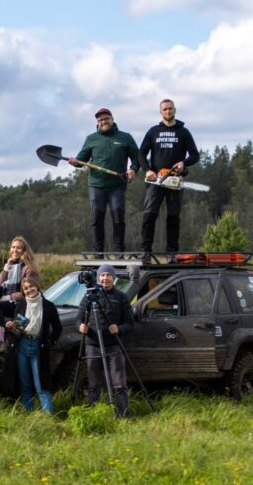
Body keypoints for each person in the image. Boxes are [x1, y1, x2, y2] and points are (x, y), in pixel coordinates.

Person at [69, 107, 139, 253]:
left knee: (118, 218)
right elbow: (81, 159)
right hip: (96, 185)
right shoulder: (91, 139)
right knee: (97, 219)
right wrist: (75, 162)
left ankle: (119, 251)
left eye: (106, 119)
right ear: (97, 122)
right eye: (100, 120)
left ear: (112, 119)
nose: (103, 122)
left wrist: (133, 169)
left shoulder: (125, 137)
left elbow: (137, 158)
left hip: (117, 185)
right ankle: (98, 252)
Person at [138, 98, 200, 253]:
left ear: (175, 110)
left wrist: (183, 163)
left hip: (174, 181)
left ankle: (172, 253)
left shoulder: (183, 132)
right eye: (165, 109)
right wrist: (147, 170)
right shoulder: (153, 131)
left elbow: (195, 155)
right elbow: (141, 153)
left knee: (173, 218)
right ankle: (146, 252)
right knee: (149, 216)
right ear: (160, 112)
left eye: (170, 108)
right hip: (156, 181)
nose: (168, 111)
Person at [77, 263, 134, 417]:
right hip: (93, 345)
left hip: (114, 345)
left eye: (108, 275)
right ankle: (94, 415)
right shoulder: (89, 297)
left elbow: (130, 323)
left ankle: (123, 415)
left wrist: (119, 329)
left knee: (119, 384)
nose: (105, 278)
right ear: (98, 277)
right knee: (94, 384)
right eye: (102, 275)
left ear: (113, 278)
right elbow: (79, 318)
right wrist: (80, 326)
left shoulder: (121, 297)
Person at [2, 276, 62, 413]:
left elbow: (57, 328)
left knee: (41, 384)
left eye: (31, 287)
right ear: (23, 291)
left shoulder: (49, 306)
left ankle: (48, 415)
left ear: (37, 287)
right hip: (22, 345)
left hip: (39, 347)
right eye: (26, 288)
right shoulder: (21, 304)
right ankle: (29, 414)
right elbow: (16, 325)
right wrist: (9, 324)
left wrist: (49, 343)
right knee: (25, 384)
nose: (29, 290)